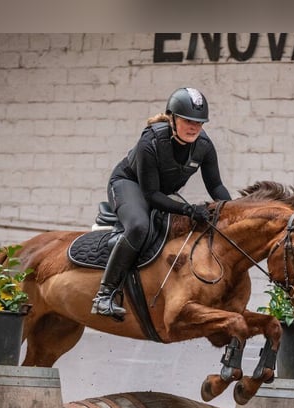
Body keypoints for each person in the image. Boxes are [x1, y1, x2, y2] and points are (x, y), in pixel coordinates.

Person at [91, 87, 232, 321]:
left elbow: (216, 187)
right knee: (139, 226)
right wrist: (187, 209)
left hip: (160, 192)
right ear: (172, 118)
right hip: (130, 184)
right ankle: (104, 294)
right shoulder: (151, 141)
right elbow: (151, 194)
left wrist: (233, 212)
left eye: (199, 122)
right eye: (187, 120)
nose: (194, 127)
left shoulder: (204, 145)